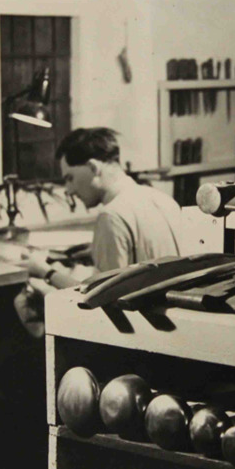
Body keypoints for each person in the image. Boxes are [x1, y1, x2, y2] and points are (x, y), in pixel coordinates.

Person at [14, 127, 183, 336]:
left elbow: (101, 300)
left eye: (70, 178)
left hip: (140, 333)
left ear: (93, 168)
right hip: (175, 322)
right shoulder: (161, 198)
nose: (69, 190)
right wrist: (94, 249)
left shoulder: (111, 215)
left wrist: (47, 273)